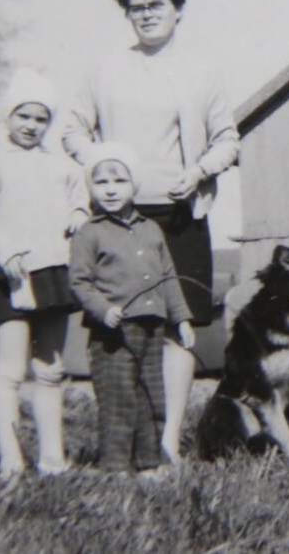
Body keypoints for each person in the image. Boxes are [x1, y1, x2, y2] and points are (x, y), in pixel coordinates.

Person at [62, 0, 239, 463]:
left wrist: (200, 170)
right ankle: (127, 441)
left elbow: (228, 139)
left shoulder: (202, 71)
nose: (146, 14)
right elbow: (72, 130)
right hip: (121, 221)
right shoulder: (106, 69)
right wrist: (103, 166)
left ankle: (166, 441)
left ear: (178, 9)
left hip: (181, 215)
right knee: (125, 330)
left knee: (179, 328)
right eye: (136, 8)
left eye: (156, 4)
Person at [0, 69, 90, 478]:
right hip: (14, 275)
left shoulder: (61, 165)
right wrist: (4, 249)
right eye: (24, 116)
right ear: (8, 116)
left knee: (50, 370)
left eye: (41, 118)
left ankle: (53, 459)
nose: (31, 125)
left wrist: (78, 212)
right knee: (10, 372)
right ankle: (11, 458)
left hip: (53, 270)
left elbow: (80, 200)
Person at [68, 143, 195, 475]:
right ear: (91, 188)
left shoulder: (150, 229)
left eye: (119, 181)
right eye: (101, 182)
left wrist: (182, 319)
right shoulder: (89, 233)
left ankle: (148, 463)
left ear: (134, 185)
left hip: (152, 327)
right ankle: (115, 467)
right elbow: (79, 282)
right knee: (118, 398)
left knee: (151, 395)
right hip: (113, 332)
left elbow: (168, 276)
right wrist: (102, 309)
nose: (110, 190)